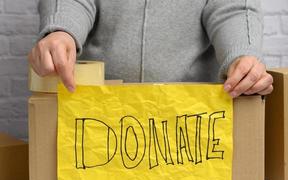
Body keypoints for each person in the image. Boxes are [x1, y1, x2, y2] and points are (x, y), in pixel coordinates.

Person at [28, 0, 273, 98]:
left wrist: (243, 53)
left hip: (193, 116)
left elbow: (232, 7)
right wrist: (61, 30)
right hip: (95, 111)